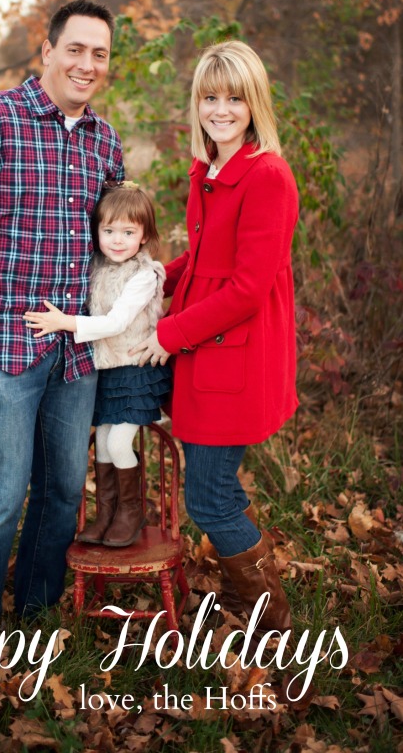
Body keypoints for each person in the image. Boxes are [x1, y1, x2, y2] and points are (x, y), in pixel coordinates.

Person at [0, 0, 124, 635]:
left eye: (100, 54)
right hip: (0, 349)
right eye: (76, 49)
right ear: (48, 51)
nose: (86, 64)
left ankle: (36, 614)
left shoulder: (105, 141)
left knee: (63, 494)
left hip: (73, 353)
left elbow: (115, 248)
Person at [131, 40, 299, 636]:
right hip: (207, 349)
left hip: (235, 356)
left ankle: (270, 616)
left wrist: (171, 332)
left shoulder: (267, 176)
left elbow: (249, 287)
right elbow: (203, 261)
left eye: (234, 97)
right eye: (209, 96)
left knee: (207, 496)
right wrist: (151, 279)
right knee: (215, 486)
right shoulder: (210, 170)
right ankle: (249, 585)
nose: (220, 109)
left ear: (254, 104)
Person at [24, 182, 171, 547]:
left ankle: (132, 512)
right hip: (107, 370)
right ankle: (107, 514)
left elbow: (117, 322)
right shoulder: (97, 267)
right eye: (108, 231)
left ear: (144, 235)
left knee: (120, 442)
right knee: (103, 444)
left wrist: (66, 322)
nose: (117, 240)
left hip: (134, 371)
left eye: (128, 232)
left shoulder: (143, 275)